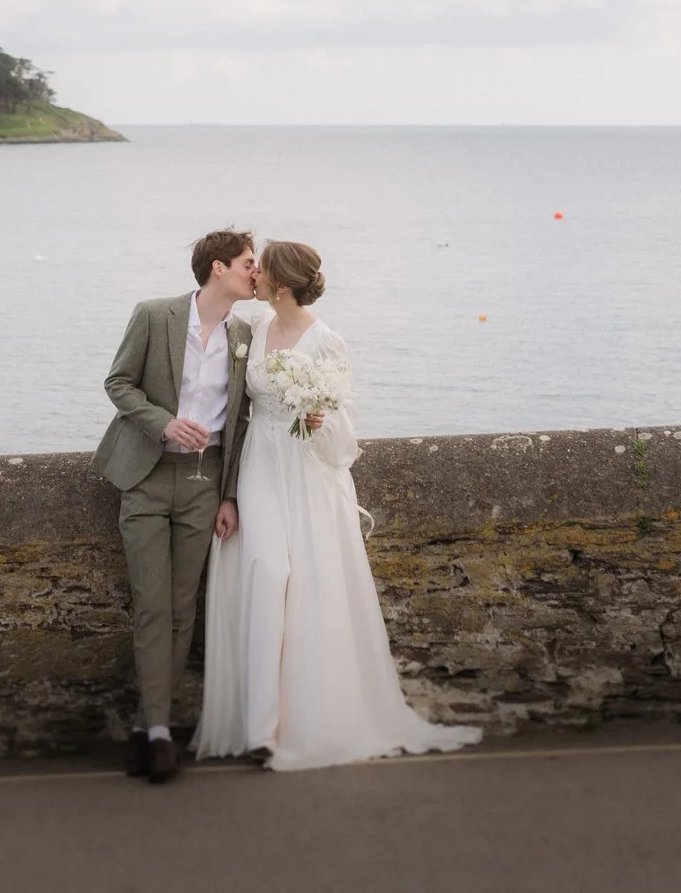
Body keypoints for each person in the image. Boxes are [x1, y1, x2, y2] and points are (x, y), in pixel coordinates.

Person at [195, 239, 482, 770]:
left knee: (307, 584)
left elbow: (346, 428)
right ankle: (259, 725)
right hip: (260, 464)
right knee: (264, 570)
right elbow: (237, 411)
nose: (253, 274)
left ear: (281, 285)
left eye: (262, 270)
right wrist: (228, 489)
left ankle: (308, 720)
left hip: (308, 471)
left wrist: (322, 424)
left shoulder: (326, 341)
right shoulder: (253, 331)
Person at [94, 227, 257, 784]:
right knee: (152, 605)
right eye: (247, 263)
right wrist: (163, 422)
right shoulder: (154, 314)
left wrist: (229, 493)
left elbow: (240, 422)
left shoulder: (246, 335)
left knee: (184, 609)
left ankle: (152, 728)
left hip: (203, 483)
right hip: (145, 476)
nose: (255, 273)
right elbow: (118, 383)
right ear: (218, 268)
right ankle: (159, 730)